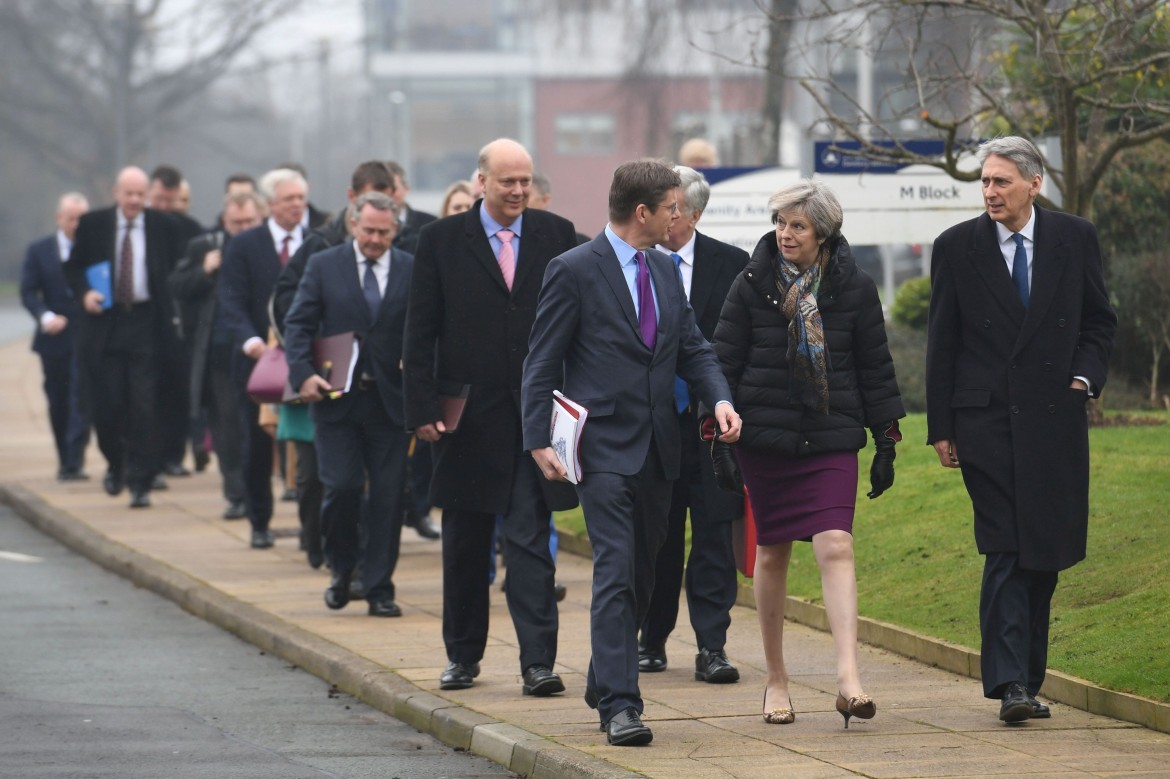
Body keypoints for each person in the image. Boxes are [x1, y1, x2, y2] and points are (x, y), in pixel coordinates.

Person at [523, 159, 742, 747]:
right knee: (616, 571)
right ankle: (621, 706)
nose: (681, 216)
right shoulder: (573, 270)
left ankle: (603, 672)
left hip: (661, 452)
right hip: (602, 450)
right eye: (673, 207)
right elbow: (542, 359)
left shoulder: (668, 270)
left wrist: (718, 398)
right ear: (643, 212)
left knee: (645, 575)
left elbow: (693, 348)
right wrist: (537, 438)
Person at [925, 136, 1116, 724]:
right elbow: (943, 341)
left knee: (1043, 553)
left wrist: (1082, 381)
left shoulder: (1074, 237)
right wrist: (941, 426)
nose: (989, 192)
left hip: (1055, 421)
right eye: (984, 181)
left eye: (1001, 181)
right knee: (1005, 544)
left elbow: (1098, 321)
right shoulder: (956, 247)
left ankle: (1027, 680)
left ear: (1034, 183)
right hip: (985, 422)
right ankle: (1010, 684)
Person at [712, 178, 904, 729]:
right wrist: (715, 429)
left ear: (824, 231)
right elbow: (723, 361)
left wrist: (885, 441)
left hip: (830, 435)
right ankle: (776, 680)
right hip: (766, 437)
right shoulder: (751, 283)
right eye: (781, 223)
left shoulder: (856, 287)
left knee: (837, 544)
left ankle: (849, 679)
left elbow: (876, 369)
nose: (785, 233)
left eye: (798, 225)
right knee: (771, 552)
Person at [404, 138, 580, 697]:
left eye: (525, 181)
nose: (519, 191)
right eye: (507, 181)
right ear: (481, 181)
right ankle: (462, 656)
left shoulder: (556, 235)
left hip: (534, 419)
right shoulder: (439, 241)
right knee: (465, 544)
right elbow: (419, 329)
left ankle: (538, 663)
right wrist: (422, 408)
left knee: (531, 541)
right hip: (465, 421)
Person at [638, 165, 748, 684]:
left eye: (674, 207)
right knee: (656, 537)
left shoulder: (733, 265)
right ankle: (651, 639)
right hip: (653, 424)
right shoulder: (634, 264)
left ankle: (712, 646)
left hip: (711, 428)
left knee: (712, 535)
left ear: (693, 213)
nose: (667, 214)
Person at [285, 192, 413, 618]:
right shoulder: (324, 265)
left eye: (384, 232)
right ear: (354, 225)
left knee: (388, 497)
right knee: (340, 488)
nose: (375, 239)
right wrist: (302, 373)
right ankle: (341, 569)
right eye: (369, 230)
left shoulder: (411, 269)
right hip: (336, 401)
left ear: (395, 229)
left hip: (390, 403)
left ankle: (379, 587)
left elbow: (426, 329)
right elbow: (298, 323)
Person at [64, 166, 182, 508]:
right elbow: (72, 268)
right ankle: (116, 463)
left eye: (139, 194)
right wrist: (85, 293)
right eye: (128, 193)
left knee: (144, 405)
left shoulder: (163, 226)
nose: (134, 200)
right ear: (116, 193)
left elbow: (175, 270)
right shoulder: (93, 225)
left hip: (147, 324)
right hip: (106, 325)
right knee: (108, 404)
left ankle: (141, 481)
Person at [218, 167, 308, 549]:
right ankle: (259, 520)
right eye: (289, 199)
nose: (297, 206)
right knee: (257, 444)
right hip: (258, 361)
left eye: (301, 199)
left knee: (308, 445)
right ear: (269, 204)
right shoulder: (244, 245)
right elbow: (230, 299)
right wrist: (251, 341)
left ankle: (312, 525)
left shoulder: (317, 240)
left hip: (307, 358)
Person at [169, 191, 267, 521]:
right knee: (227, 428)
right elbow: (177, 285)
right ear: (224, 222)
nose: (242, 227)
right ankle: (236, 493)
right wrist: (204, 270)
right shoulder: (204, 247)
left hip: (260, 351)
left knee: (259, 427)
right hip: (219, 353)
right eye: (236, 222)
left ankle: (264, 489)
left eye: (249, 221)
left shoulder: (265, 248)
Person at [20, 192, 92, 481]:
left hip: (86, 336)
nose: (76, 224)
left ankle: (75, 459)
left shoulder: (94, 248)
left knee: (81, 397)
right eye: (71, 218)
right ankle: (66, 458)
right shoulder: (39, 250)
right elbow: (28, 291)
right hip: (54, 339)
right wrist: (46, 316)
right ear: (59, 218)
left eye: (81, 219)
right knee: (58, 399)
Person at [386, 160, 436, 255]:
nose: (388, 193)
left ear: (406, 188)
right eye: (382, 189)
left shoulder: (429, 225)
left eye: (393, 189)